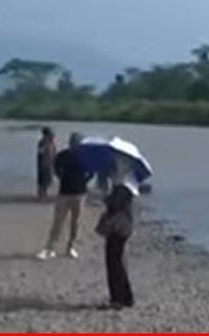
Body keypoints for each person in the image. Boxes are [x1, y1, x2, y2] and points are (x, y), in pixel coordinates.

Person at [37, 132, 93, 260]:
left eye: (77, 142)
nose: (75, 144)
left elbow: (91, 172)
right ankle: (49, 248)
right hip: (64, 193)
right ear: (70, 143)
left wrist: (84, 181)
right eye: (73, 142)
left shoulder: (86, 157)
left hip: (80, 193)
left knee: (76, 222)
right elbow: (56, 168)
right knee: (58, 221)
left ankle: (71, 247)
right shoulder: (62, 155)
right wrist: (62, 178)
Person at [95, 178, 136, 310]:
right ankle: (126, 297)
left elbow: (115, 205)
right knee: (119, 263)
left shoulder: (121, 188)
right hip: (123, 228)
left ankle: (118, 298)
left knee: (114, 264)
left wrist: (108, 199)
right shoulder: (128, 186)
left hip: (117, 230)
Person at [36, 127, 57, 201]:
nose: (53, 135)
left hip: (50, 164)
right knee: (43, 181)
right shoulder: (42, 143)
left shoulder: (52, 142)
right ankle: (41, 195)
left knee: (48, 181)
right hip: (44, 164)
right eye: (51, 133)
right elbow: (40, 154)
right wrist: (41, 165)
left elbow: (55, 153)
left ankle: (44, 194)